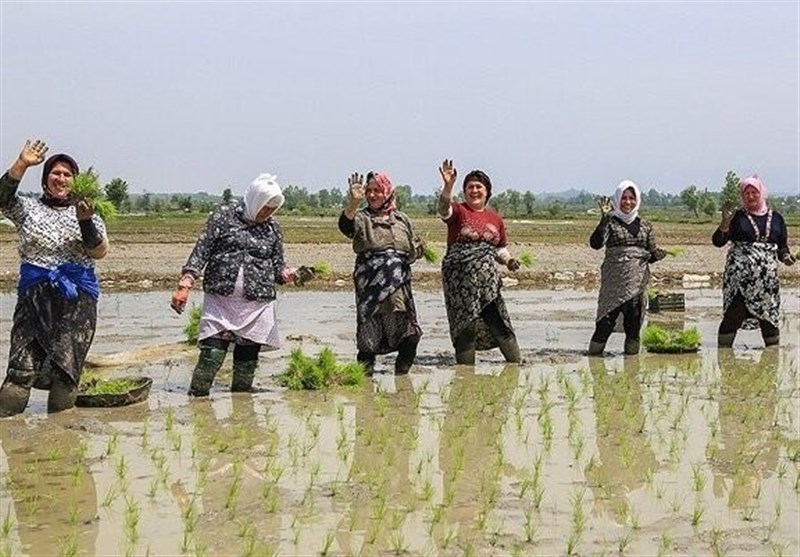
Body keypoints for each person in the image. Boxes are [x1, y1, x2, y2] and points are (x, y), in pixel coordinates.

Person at [0, 140, 109, 416]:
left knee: (66, 372)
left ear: (76, 180)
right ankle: (7, 430)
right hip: (35, 299)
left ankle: (60, 434)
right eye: (55, 173)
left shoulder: (89, 212)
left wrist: (85, 220)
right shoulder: (27, 208)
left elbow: (98, 251)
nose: (61, 179)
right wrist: (21, 163)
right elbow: (1, 199)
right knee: (20, 370)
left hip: (77, 302)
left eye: (67, 174)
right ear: (46, 179)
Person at [170, 173, 297, 396]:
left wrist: (288, 275)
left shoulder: (273, 229)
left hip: (256, 307)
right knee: (211, 356)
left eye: (272, 209)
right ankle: (197, 400)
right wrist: (185, 283)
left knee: (246, 363)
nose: (267, 213)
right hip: (221, 301)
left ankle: (242, 405)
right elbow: (202, 250)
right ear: (255, 200)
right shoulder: (223, 216)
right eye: (265, 207)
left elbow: (278, 268)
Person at [436, 159, 521, 365]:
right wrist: (448, 187)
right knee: (466, 325)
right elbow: (442, 210)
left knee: (498, 320)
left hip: (488, 283)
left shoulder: (495, 219)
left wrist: (509, 261)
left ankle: (516, 363)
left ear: (487, 191)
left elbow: (499, 248)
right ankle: (465, 373)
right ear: (464, 191)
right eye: (470, 187)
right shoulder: (458, 211)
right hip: (460, 283)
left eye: (479, 187)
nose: (474, 190)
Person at [338, 171, 423, 375]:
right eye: (369, 191)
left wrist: (419, 249)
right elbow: (345, 227)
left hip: (399, 288)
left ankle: (401, 379)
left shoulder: (402, 219)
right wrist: (353, 203)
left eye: (377, 190)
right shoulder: (362, 218)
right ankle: (364, 385)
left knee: (410, 335)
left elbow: (410, 252)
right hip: (370, 288)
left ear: (388, 192)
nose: (373, 195)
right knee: (369, 339)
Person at [713, 174, 795, 347]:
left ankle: (772, 357)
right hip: (739, 281)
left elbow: (782, 247)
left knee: (769, 319)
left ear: (761, 193)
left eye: (754, 192)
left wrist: (786, 257)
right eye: (746, 193)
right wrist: (725, 222)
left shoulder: (777, 219)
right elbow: (718, 241)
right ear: (742, 196)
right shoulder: (736, 217)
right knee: (733, 315)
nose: (750, 196)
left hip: (766, 283)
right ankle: (724, 356)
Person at [588, 180, 665, 356]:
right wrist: (603, 220)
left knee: (633, 328)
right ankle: (593, 359)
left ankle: (631, 367)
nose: (628, 202)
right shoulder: (611, 222)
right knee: (604, 325)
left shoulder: (645, 226)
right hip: (613, 286)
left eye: (632, 198)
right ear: (617, 199)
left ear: (637, 200)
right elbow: (595, 244)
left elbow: (650, 253)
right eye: (624, 198)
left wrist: (657, 255)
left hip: (636, 287)